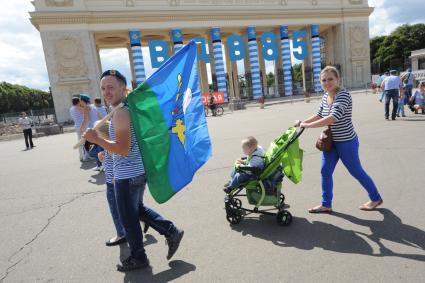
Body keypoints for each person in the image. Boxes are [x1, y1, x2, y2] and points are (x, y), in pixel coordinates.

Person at [83, 69, 184, 272]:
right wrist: (105, 150)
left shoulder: (121, 112)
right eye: (103, 88)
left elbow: (123, 148)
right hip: (135, 172)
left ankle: (139, 257)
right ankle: (171, 231)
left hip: (127, 175)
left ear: (123, 87)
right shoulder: (127, 108)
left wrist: (97, 140)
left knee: (128, 219)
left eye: (111, 87)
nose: (106, 92)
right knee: (136, 211)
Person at [295, 66, 383, 213]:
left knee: (356, 171)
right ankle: (326, 204)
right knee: (325, 171)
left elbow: (332, 118)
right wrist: (301, 122)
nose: (327, 82)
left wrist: (308, 125)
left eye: (330, 79)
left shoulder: (343, 95)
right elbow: (319, 114)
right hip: (331, 143)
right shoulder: (325, 96)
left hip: (346, 142)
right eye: (324, 80)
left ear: (338, 80)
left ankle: (375, 198)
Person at [96, 120, 126, 246]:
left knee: (115, 210)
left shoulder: (110, 147)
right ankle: (143, 220)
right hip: (116, 182)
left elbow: (115, 164)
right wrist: (103, 154)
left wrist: (114, 182)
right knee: (127, 208)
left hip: (113, 183)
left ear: (102, 134)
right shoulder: (110, 145)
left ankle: (121, 234)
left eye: (97, 134)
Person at [69, 97, 87, 161]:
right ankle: (85, 156)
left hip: (77, 126)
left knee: (80, 141)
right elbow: (85, 111)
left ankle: (81, 156)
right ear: (78, 102)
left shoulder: (71, 109)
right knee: (83, 142)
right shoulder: (78, 108)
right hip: (82, 126)